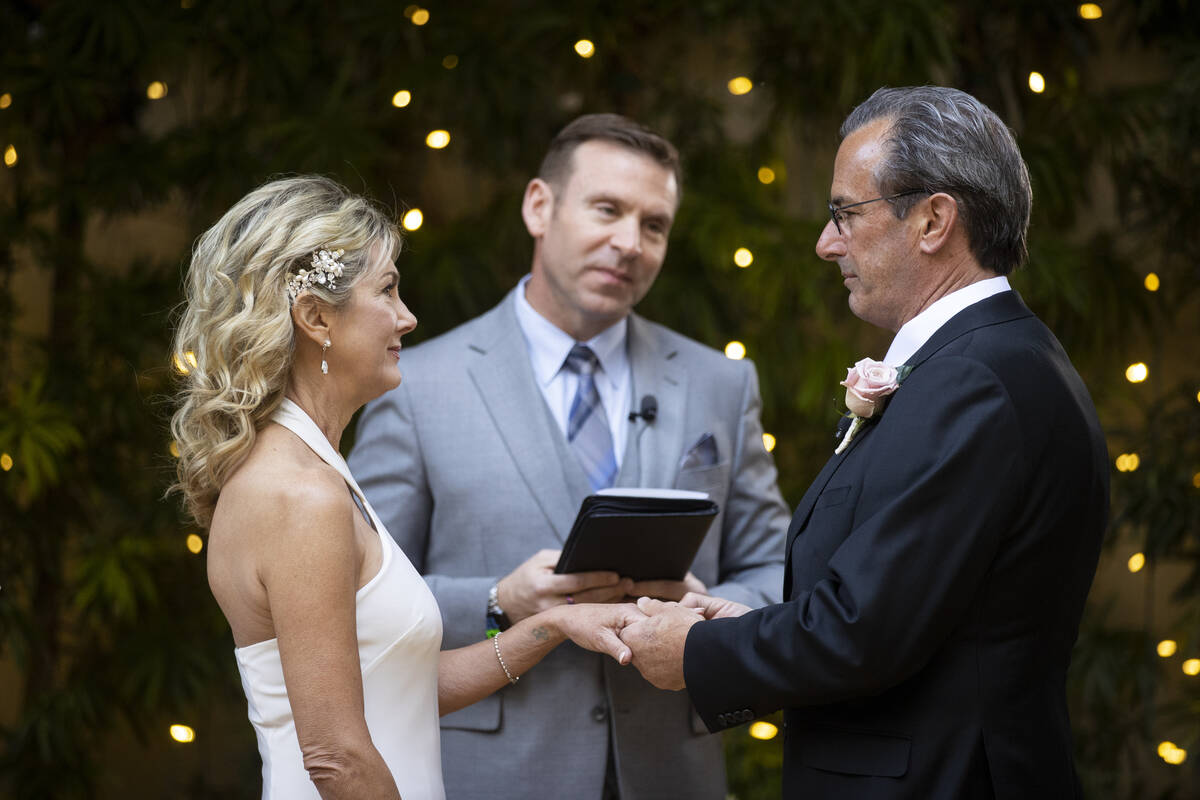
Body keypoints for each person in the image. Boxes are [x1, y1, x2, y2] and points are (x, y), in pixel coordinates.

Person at [620, 86, 1109, 799]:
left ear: (934, 220)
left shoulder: (976, 378)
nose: (826, 244)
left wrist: (695, 651)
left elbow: (864, 633)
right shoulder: (991, 362)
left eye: (845, 214)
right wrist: (756, 622)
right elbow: (904, 601)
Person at [348, 114, 790, 799]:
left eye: (654, 225)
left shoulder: (720, 383)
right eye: (607, 209)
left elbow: (774, 567)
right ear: (538, 206)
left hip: (675, 775)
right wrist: (499, 600)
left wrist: (701, 623)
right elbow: (362, 594)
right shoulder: (416, 386)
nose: (629, 243)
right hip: (494, 777)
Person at [170, 176, 642, 800]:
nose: (407, 317)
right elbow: (335, 756)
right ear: (316, 317)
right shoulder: (299, 495)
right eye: (388, 290)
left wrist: (555, 625)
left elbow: (402, 690)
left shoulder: (319, 470)